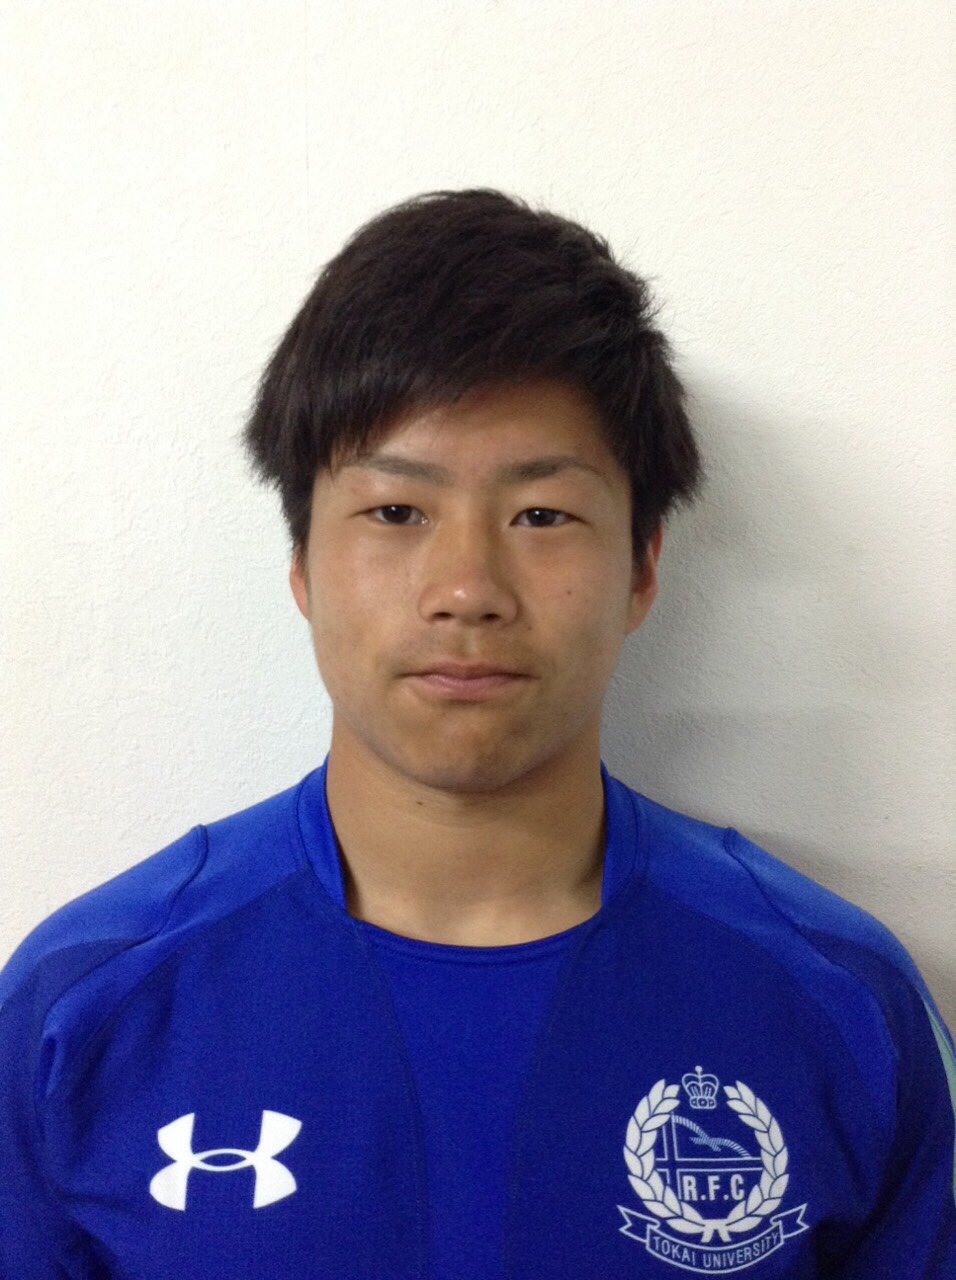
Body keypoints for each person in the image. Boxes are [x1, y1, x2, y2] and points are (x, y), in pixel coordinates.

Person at [1, 189, 953, 1280]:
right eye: (395, 511)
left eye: (542, 515)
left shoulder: (839, 1000)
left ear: (642, 567)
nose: (466, 588)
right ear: (302, 562)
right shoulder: (84, 1007)